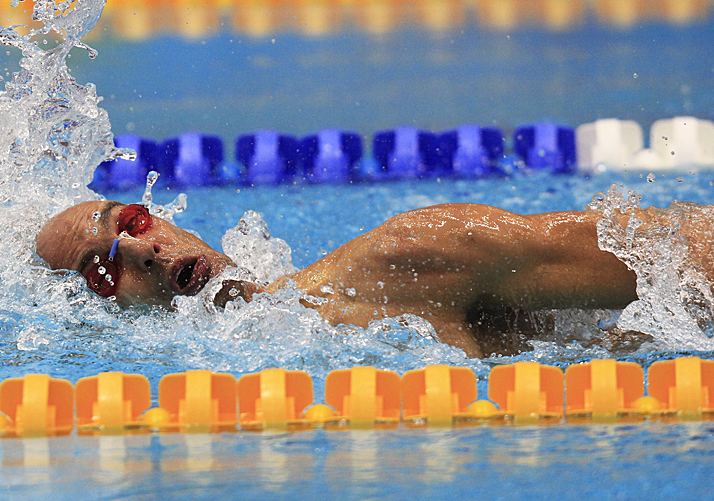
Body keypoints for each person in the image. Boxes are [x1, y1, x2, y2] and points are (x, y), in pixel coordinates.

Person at [36, 199, 647, 357]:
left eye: (134, 222)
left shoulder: (399, 260)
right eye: (102, 269)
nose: (141, 252)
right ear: (102, 306)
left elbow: (670, 255)